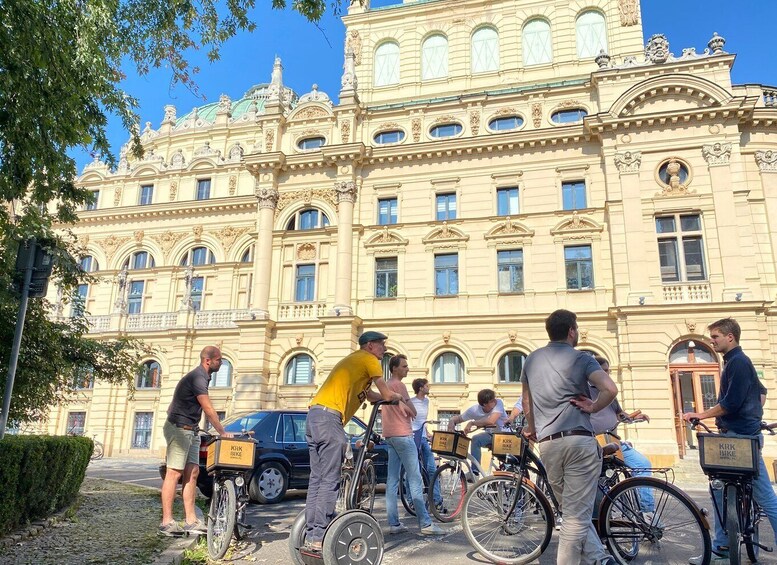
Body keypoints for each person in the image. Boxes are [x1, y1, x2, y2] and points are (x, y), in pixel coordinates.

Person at [521, 309, 618, 564]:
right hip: (579, 442)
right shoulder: (582, 358)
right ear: (572, 331)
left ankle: (598, 558)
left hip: (549, 445)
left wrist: (531, 427)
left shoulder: (530, 360)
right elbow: (610, 389)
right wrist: (594, 406)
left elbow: (526, 402)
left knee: (573, 511)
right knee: (576, 517)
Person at [683, 318, 776, 565]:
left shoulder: (738, 363)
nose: (712, 342)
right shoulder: (737, 362)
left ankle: (721, 549)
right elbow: (761, 393)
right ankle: (722, 547)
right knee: (721, 491)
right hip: (743, 435)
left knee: (764, 498)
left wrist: (699, 414)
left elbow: (731, 403)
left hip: (741, 440)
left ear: (730, 337)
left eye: (715, 337)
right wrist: (753, 414)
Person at [303, 331, 403, 553]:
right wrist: (396, 397)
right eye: (381, 345)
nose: (384, 349)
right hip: (330, 419)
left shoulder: (356, 363)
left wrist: (387, 398)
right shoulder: (369, 360)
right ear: (369, 346)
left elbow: (371, 396)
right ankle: (319, 535)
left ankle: (312, 533)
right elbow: (386, 393)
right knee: (329, 480)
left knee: (317, 480)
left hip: (315, 417)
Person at [160, 346, 232, 536]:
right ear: (208, 361)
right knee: (174, 473)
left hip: (190, 430)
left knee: (192, 473)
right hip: (179, 429)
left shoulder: (203, 377)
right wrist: (222, 432)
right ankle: (166, 522)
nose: (221, 363)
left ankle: (191, 520)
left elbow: (175, 404)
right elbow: (207, 408)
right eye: (219, 360)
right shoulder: (198, 377)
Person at [383, 355, 445, 535]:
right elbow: (414, 412)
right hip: (403, 434)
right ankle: (426, 524)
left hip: (390, 435)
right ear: (394, 368)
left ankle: (394, 524)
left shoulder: (385, 385)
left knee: (392, 480)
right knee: (415, 478)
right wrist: (406, 406)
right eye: (404, 366)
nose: (407, 369)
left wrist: (405, 407)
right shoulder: (399, 385)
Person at [589, 356, 654, 514]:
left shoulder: (609, 391)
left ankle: (647, 512)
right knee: (596, 481)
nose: (607, 374)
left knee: (642, 464)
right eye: (603, 371)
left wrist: (632, 417)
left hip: (613, 442)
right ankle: (601, 519)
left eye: (608, 371)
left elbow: (619, 414)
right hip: (594, 444)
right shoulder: (583, 390)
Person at [447, 388, 509, 476]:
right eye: (492, 401)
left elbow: (491, 420)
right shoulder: (474, 410)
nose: (495, 401)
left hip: (504, 435)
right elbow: (459, 418)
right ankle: (475, 471)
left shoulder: (498, 403)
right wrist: (451, 421)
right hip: (491, 435)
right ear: (484, 404)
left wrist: (472, 423)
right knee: (476, 439)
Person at [409, 377, 444, 511]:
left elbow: (422, 421)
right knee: (413, 471)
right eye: (427, 386)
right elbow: (410, 421)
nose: (429, 387)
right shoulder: (411, 402)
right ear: (420, 388)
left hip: (423, 438)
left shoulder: (427, 402)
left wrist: (427, 433)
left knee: (431, 468)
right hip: (412, 438)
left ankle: (436, 499)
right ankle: (412, 501)